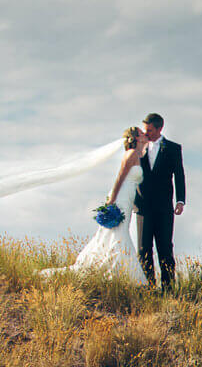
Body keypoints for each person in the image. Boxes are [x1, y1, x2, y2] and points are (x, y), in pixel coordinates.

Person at [37, 126, 148, 281]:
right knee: (119, 232)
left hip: (128, 199)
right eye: (142, 133)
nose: (145, 134)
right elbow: (119, 178)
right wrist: (112, 200)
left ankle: (117, 271)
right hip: (120, 197)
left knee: (116, 232)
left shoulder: (138, 154)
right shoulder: (130, 154)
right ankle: (127, 276)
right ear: (136, 138)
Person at [134, 113, 186, 290]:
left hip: (164, 207)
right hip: (142, 207)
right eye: (145, 129)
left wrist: (180, 200)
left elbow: (179, 175)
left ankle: (168, 288)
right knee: (143, 248)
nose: (146, 133)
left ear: (159, 128)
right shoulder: (138, 147)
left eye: (149, 130)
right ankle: (148, 287)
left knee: (165, 247)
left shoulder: (172, 148)